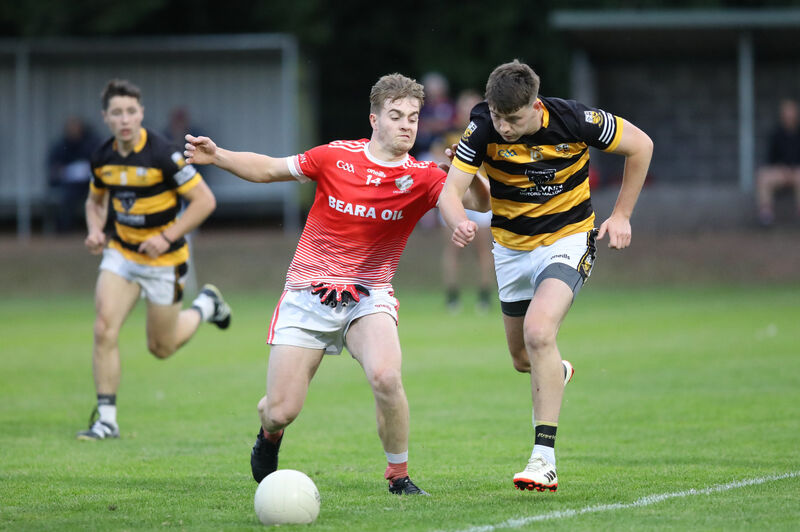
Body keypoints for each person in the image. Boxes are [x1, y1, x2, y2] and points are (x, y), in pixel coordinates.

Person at [184, 73, 489, 495]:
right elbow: (271, 169)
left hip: (370, 295)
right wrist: (218, 156)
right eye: (396, 116)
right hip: (308, 293)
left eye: (413, 118)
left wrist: (465, 181)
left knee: (386, 376)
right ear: (374, 119)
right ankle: (269, 431)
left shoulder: (424, 175)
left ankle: (398, 476)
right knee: (281, 410)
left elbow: (473, 202)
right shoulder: (333, 157)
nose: (406, 125)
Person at [439, 60, 653, 492]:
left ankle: (544, 460)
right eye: (497, 116)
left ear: (535, 106)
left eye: (513, 119)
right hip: (511, 250)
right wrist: (459, 219)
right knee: (524, 360)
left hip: (567, 240)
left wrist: (623, 214)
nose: (503, 127)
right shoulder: (482, 126)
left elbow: (642, 145)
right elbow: (450, 193)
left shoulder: (574, 119)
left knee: (539, 333)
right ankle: (559, 371)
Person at [77, 79, 232, 441]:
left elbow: (205, 201)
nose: (125, 119)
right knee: (104, 328)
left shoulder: (164, 154)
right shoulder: (103, 156)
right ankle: (107, 420)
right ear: (106, 118)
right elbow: (95, 202)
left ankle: (206, 305)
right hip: (122, 254)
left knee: (161, 348)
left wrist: (165, 237)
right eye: (117, 112)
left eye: (131, 111)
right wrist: (96, 230)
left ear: (141, 114)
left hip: (165, 261)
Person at [47, 117, 99, 232]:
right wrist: (65, 171)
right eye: (70, 128)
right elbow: (54, 168)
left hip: (88, 183)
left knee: (100, 195)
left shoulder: (91, 143)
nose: (73, 131)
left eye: (76, 128)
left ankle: (97, 228)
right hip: (69, 184)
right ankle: (64, 230)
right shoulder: (60, 146)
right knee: (66, 198)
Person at [756, 98, 800, 227]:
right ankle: (766, 214)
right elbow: (770, 159)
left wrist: (793, 168)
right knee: (762, 176)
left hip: (797, 173)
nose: (789, 114)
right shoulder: (776, 134)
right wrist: (781, 168)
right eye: (787, 111)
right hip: (780, 173)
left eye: (792, 111)